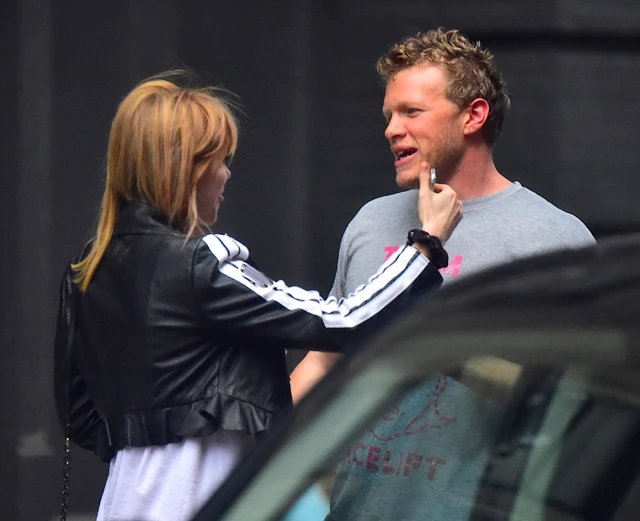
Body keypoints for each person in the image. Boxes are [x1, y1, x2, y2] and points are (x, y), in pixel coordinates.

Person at [53, 72, 462, 521]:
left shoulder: (88, 268)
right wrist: (426, 244)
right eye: (221, 159)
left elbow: (80, 416)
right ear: (189, 168)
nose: (226, 173)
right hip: (199, 494)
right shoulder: (197, 264)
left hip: (125, 498)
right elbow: (346, 320)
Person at [289, 28, 595, 520]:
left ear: (473, 115)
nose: (392, 129)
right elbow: (324, 363)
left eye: (411, 112)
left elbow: (577, 406)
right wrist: (240, 463)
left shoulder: (555, 238)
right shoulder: (370, 221)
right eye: (389, 115)